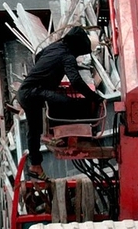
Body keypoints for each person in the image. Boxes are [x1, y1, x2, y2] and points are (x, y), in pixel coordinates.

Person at [17, 26, 97, 161]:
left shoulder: (55, 47)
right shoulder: (68, 57)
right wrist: (94, 97)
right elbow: (76, 81)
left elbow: (38, 57)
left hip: (25, 93)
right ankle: (56, 135)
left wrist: (48, 75)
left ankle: (35, 165)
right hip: (34, 93)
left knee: (34, 131)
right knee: (68, 103)